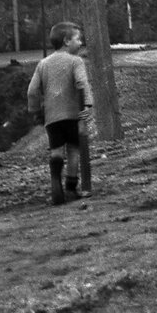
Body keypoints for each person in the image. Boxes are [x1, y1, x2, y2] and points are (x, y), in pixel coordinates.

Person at [26, 22, 95, 205]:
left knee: (56, 150)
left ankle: (55, 172)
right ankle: (71, 188)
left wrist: (35, 111)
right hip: (72, 115)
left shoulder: (43, 64)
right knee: (73, 149)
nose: (80, 43)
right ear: (66, 41)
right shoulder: (76, 61)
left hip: (52, 116)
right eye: (77, 39)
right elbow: (82, 83)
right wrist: (87, 105)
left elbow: (32, 91)